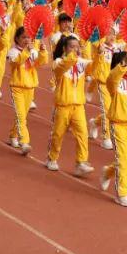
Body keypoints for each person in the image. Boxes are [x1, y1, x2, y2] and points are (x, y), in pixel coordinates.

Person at [48, 35, 94, 176]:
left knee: (83, 134)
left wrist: (99, 55)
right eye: (72, 47)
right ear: (64, 48)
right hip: (63, 105)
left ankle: (81, 162)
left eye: (77, 46)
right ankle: (52, 158)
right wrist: (73, 56)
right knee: (58, 134)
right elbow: (62, 67)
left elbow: (94, 67)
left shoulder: (82, 62)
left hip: (78, 105)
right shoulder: (58, 62)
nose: (75, 49)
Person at [101, 50, 127, 207]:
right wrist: (122, 67)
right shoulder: (114, 82)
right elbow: (112, 78)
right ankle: (122, 194)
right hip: (118, 124)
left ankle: (108, 172)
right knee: (124, 160)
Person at [7, 27, 45, 155]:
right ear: (17, 38)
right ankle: (24, 142)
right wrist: (26, 52)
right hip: (17, 87)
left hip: (30, 87)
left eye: (28, 37)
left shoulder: (33, 51)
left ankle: (13, 135)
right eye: (23, 37)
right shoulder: (13, 51)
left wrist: (43, 51)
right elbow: (16, 62)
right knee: (21, 116)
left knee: (22, 115)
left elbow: (40, 63)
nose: (26, 40)